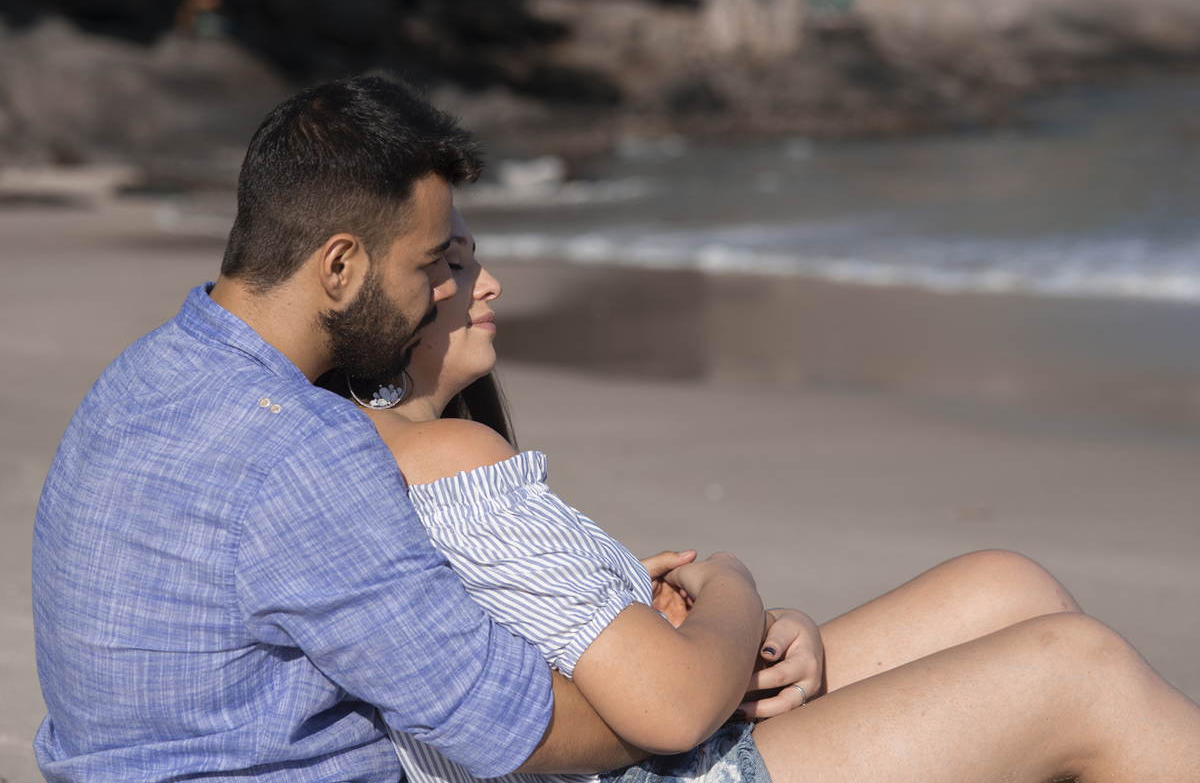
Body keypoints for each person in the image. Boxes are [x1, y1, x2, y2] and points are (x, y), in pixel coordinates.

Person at [329, 206, 1200, 783]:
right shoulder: (446, 451)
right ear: (376, 291)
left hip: (655, 740)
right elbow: (670, 708)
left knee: (1005, 585)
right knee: (1082, 674)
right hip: (663, 764)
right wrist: (736, 590)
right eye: (451, 264)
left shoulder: (378, 446)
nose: (488, 284)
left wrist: (709, 622)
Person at [31, 77, 685, 781]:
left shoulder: (136, 378)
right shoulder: (301, 445)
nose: (441, 290)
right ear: (339, 266)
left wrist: (591, 600)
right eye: (429, 263)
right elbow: (511, 722)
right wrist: (703, 680)